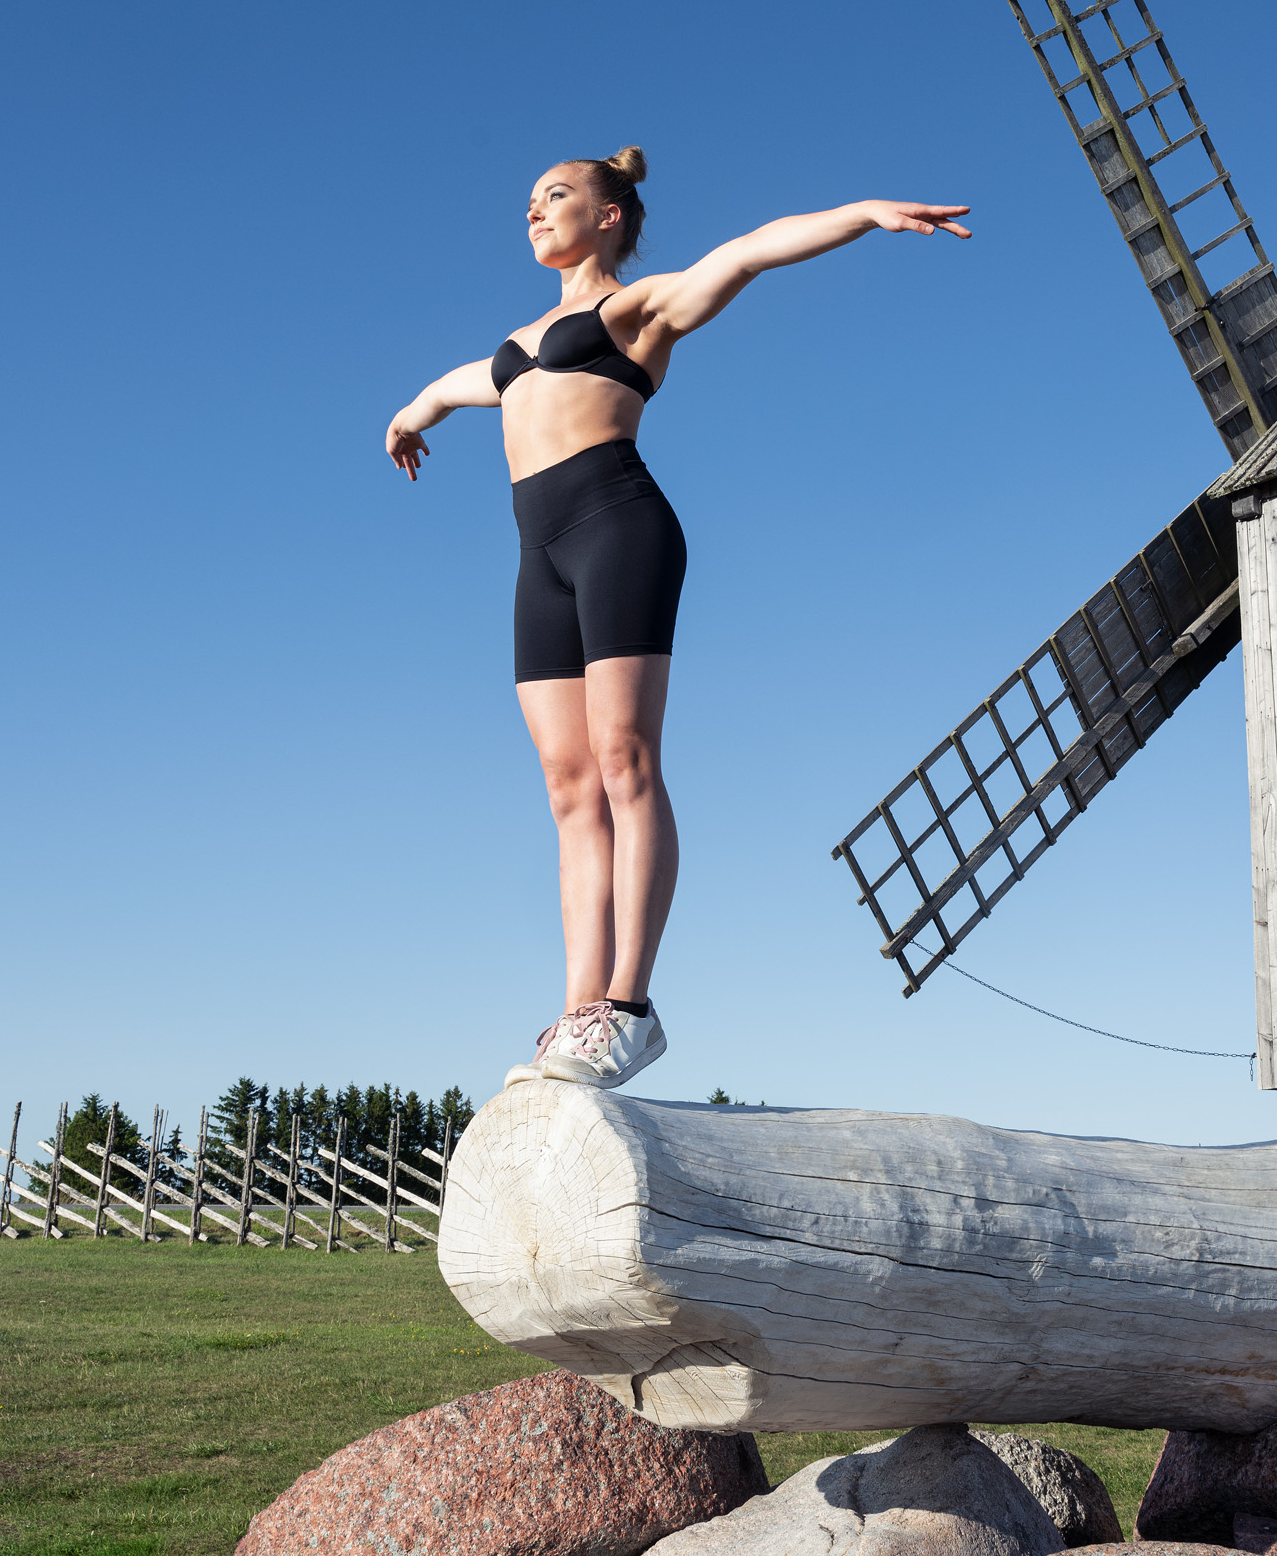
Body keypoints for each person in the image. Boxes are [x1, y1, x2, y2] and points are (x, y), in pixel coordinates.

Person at [385, 148, 970, 1091]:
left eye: (559, 196)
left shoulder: (635, 307)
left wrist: (862, 210)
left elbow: (746, 253)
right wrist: (410, 415)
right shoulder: (520, 339)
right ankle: (576, 1015)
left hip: (619, 527)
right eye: (529, 201)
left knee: (624, 761)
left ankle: (628, 1007)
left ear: (610, 215)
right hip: (539, 556)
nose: (536, 211)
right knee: (568, 784)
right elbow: (461, 384)